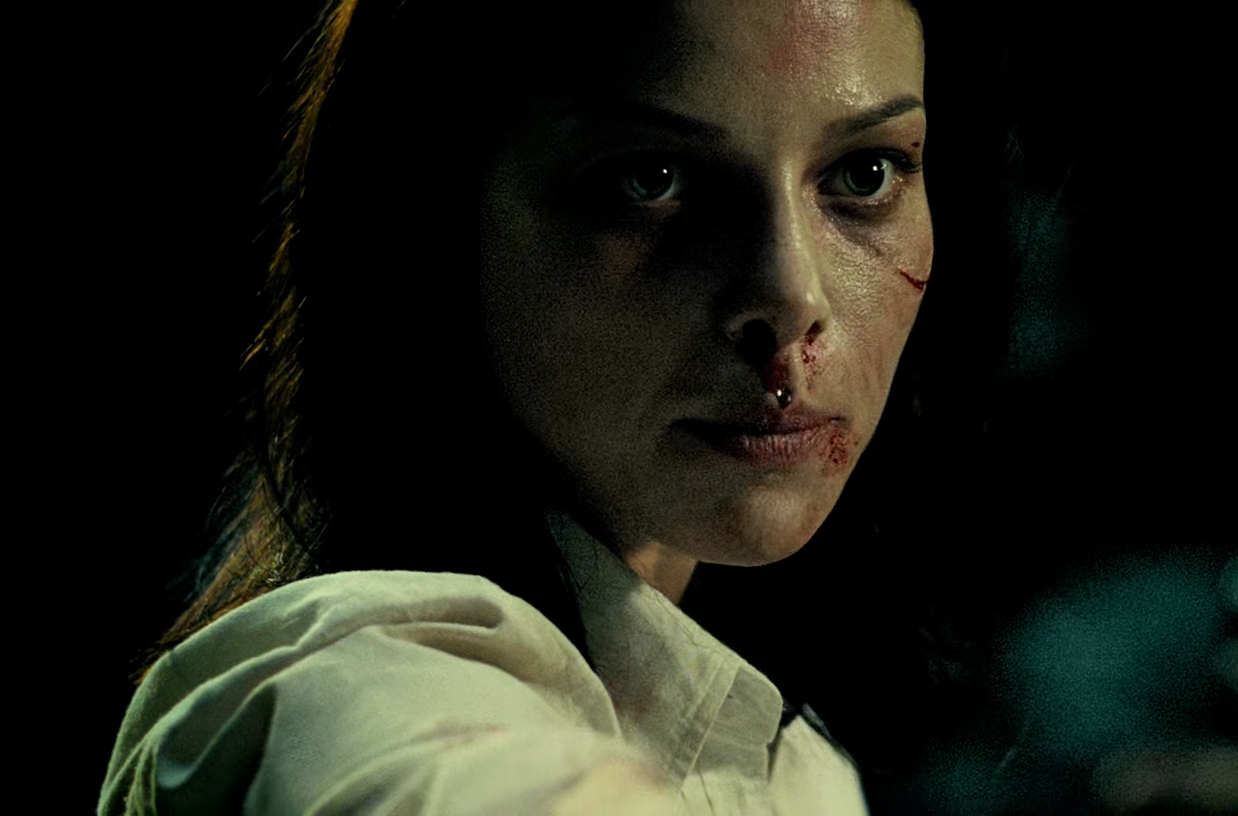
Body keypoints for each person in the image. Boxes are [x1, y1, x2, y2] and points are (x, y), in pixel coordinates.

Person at [99, 0, 958, 811]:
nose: (791, 296)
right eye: (650, 177)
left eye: (864, 173)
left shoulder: (798, 766)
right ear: (429, 212)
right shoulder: (338, 697)